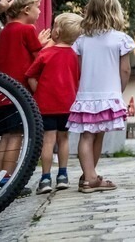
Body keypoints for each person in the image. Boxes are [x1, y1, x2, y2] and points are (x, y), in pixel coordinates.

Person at [69, 0, 135, 192]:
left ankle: (89, 175)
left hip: (87, 95)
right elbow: (125, 70)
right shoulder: (121, 39)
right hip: (109, 95)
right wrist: (119, 91)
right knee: (98, 135)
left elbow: (80, 69)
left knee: (87, 135)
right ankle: (90, 178)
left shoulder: (81, 41)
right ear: (115, 12)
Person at [0, 0, 51, 188]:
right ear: (26, 10)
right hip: (19, 93)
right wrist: (45, 45)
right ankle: (9, 181)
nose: (40, 11)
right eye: (37, 7)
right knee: (17, 135)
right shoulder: (27, 30)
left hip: (1, 92)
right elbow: (38, 59)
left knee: (5, 137)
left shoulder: (6, 30)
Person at [26, 12, 83, 194]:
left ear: (56, 32)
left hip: (46, 106)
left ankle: (45, 179)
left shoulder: (46, 54)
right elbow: (78, 79)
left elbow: (31, 76)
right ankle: (63, 175)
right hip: (68, 105)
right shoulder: (76, 57)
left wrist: (39, 91)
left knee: (47, 142)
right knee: (64, 139)